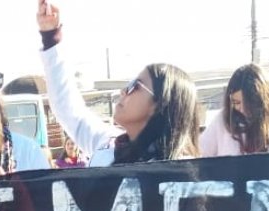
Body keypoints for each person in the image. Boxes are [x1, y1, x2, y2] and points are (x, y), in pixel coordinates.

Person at [37, 0, 201, 165]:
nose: (124, 91)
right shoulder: (107, 145)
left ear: (160, 106)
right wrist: (50, 38)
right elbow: (69, 111)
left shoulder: (185, 174)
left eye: (135, 86)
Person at [201, 63, 269, 156]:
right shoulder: (223, 119)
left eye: (249, 103)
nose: (242, 108)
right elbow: (200, 154)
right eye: (236, 103)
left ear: (265, 99)